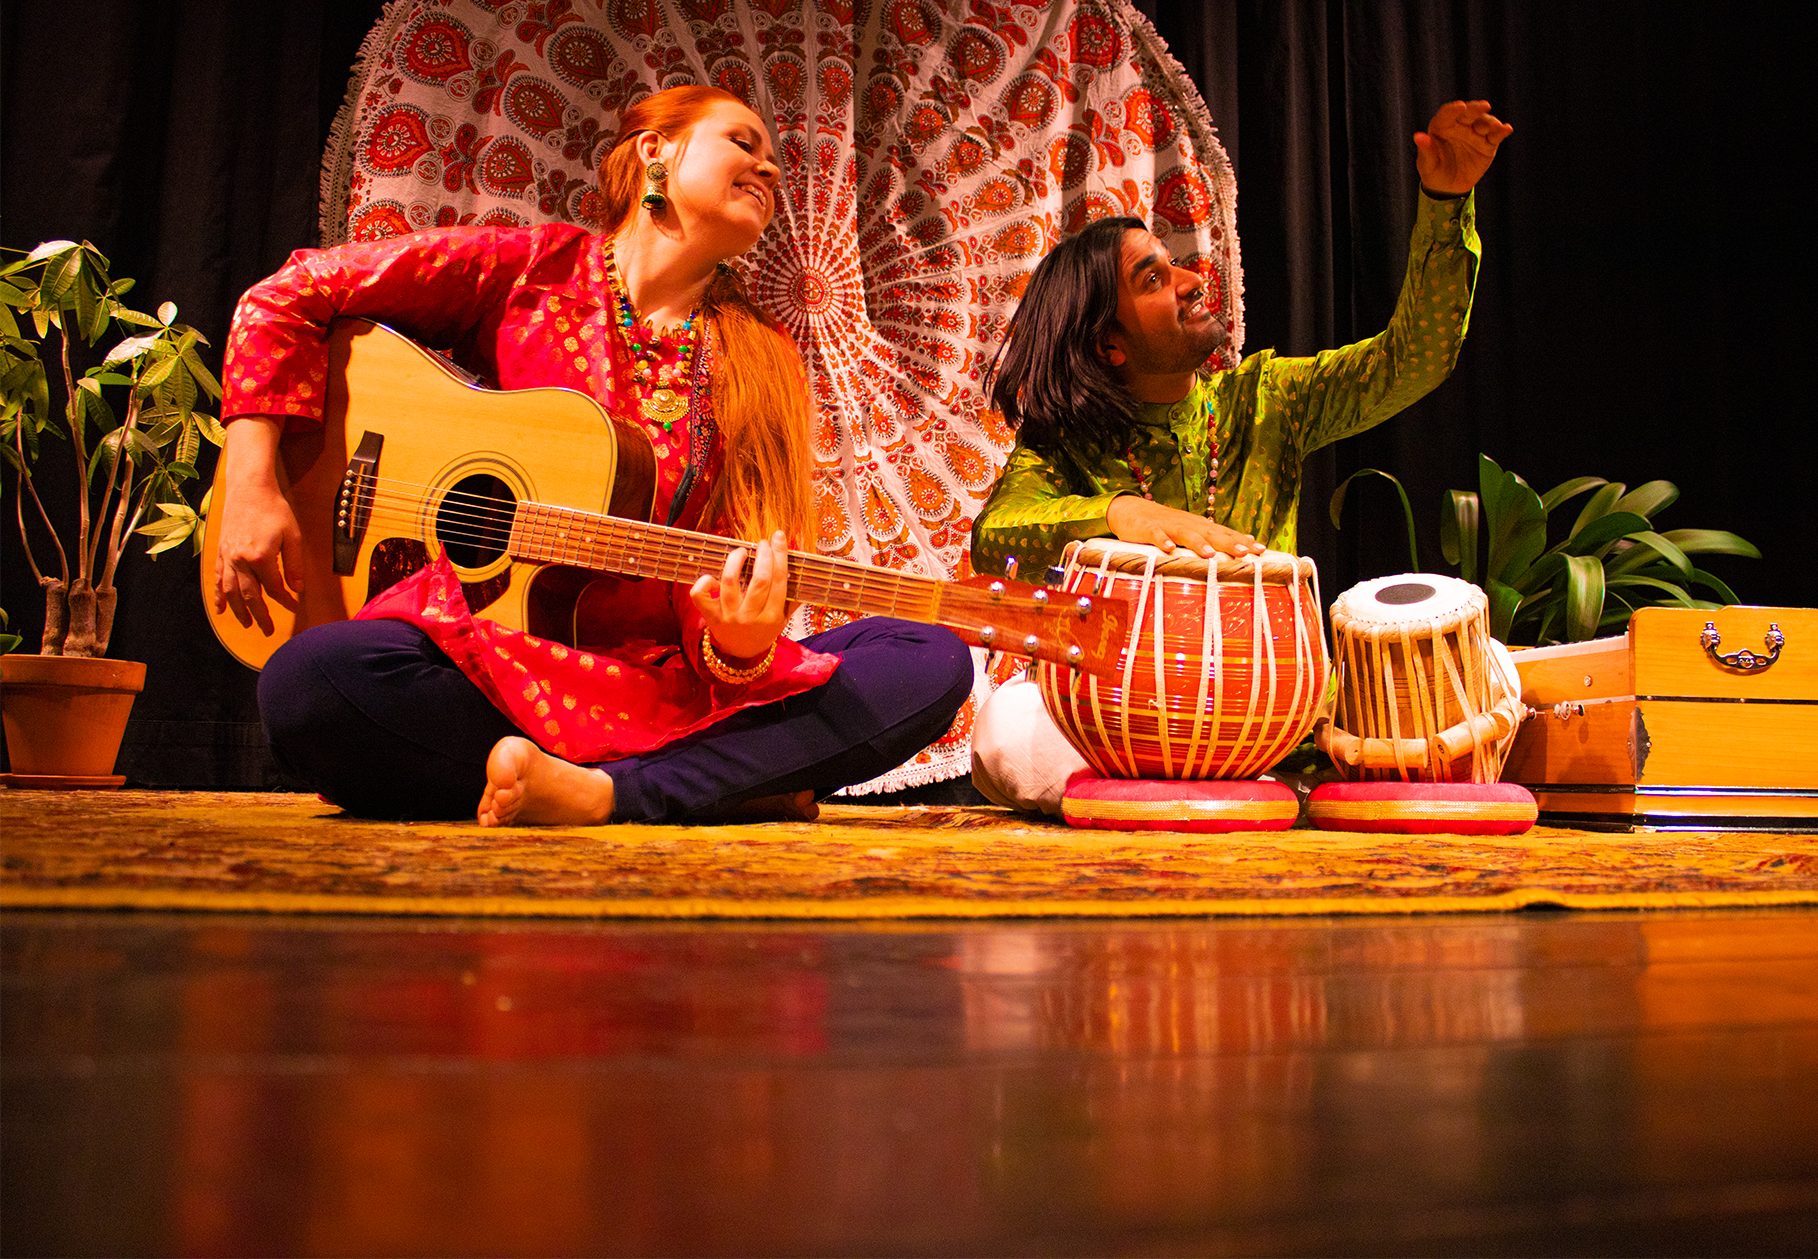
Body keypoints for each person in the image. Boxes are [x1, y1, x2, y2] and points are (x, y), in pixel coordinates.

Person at [213, 86, 973, 827]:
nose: (771, 170)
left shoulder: (766, 358)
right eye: (744, 142)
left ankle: (604, 795)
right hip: (482, 656)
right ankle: (707, 787)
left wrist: (738, 644)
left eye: (775, 161)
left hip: (656, 684)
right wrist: (253, 482)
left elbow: (746, 557)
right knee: (312, 683)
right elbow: (290, 294)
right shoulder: (532, 271)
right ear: (655, 151)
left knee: (928, 658)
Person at [967, 100, 1512, 813]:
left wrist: (1446, 201)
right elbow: (995, 537)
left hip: (1273, 717)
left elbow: (1413, 358)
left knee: (1493, 669)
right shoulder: (1070, 445)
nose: (1191, 278)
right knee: (1009, 728)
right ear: (1110, 345)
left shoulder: (1266, 402)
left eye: (1173, 265)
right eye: (1152, 279)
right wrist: (1118, 514)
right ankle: (1160, 802)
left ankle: (1206, 795)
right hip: (1127, 722)